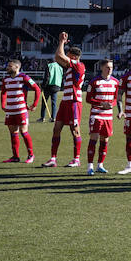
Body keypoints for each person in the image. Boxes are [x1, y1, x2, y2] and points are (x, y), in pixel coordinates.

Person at [42, 33, 86, 168]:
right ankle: (53, 159)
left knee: (75, 130)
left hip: (73, 101)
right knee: (56, 129)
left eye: (68, 54)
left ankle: (76, 159)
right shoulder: (72, 67)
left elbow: (58, 57)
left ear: (73, 56)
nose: (66, 55)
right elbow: (59, 57)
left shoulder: (78, 65)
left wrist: (61, 41)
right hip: (66, 101)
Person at [0, 58, 41, 163]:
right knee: (13, 133)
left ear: (17, 67)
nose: (7, 68)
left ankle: (31, 155)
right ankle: (15, 157)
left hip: (21, 110)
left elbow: (37, 89)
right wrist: (3, 104)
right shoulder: (6, 79)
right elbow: (3, 92)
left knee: (24, 132)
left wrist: (34, 104)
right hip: (10, 110)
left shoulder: (24, 77)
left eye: (10, 66)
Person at [83, 60, 120, 174]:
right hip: (96, 114)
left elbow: (115, 99)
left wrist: (111, 105)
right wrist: (101, 103)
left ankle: (100, 165)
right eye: (107, 67)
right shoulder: (94, 82)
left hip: (108, 116)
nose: (110, 69)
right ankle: (90, 167)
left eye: (111, 67)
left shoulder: (115, 82)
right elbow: (88, 99)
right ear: (102, 68)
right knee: (93, 139)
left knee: (105, 140)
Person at [39, 55, 62, 122]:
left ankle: (42, 117)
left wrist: (43, 86)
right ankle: (53, 117)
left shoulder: (49, 66)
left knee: (44, 102)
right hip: (56, 86)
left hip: (49, 86)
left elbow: (47, 77)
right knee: (54, 103)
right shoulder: (59, 67)